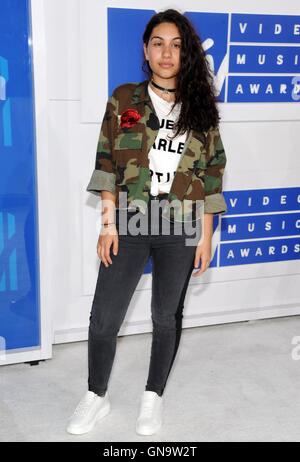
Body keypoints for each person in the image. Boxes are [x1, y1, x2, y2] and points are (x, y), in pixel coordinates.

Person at [66, 8, 227, 437]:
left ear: (186, 52)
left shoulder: (202, 110)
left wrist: (206, 237)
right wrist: (106, 223)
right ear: (146, 49)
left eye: (176, 44)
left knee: (165, 317)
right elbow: (106, 163)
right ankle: (96, 396)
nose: (167, 52)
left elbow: (212, 175)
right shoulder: (123, 99)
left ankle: (152, 396)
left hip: (182, 227)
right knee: (104, 318)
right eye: (158, 43)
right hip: (130, 222)